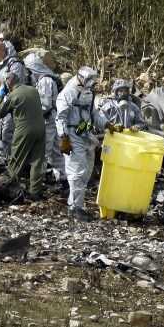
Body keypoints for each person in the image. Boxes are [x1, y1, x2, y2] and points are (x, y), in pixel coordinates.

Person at [55, 66, 106, 222]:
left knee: (86, 171)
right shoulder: (68, 93)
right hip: (71, 135)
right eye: (89, 80)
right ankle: (75, 208)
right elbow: (61, 117)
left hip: (86, 133)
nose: (91, 83)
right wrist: (63, 138)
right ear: (81, 78)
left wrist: (107, 125)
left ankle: (76, 203)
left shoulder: (89, 93)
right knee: (77, 171)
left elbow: (94, 114)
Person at [0, 72, 46, 199]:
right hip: (40, 128)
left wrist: (0, 95)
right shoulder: (33, 90)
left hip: (24, 130)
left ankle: (5, 188)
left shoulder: (13, 95)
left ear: (8, 82)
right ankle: (35, 192)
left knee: (16, 159)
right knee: (37, 161)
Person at [23, 53, 65, 182]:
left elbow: (45, 105)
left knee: (43, 152)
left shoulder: (46, 81)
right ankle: (63, 177)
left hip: (48, 121)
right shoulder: (42, 80)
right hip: (49, 120)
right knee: (55, 152)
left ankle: (38, 181)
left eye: (29, 70)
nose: (28, 74)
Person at [0, 39, 26, 159]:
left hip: (11, 105)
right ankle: (1, 160)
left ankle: (10, 163)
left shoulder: (14, 64)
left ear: (3, 51)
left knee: (7, 134)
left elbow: (13, 83)